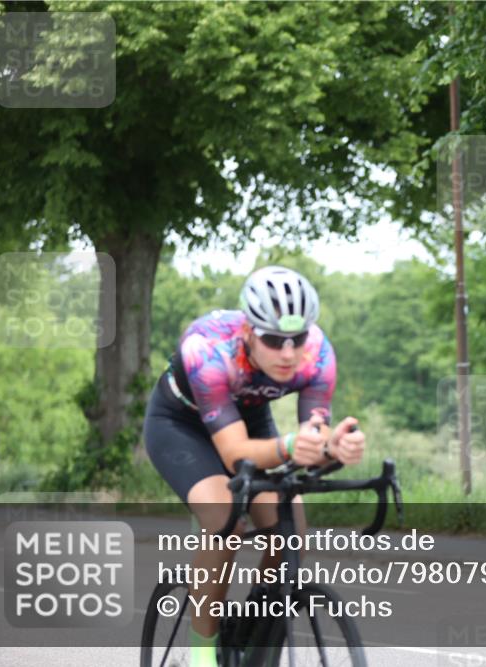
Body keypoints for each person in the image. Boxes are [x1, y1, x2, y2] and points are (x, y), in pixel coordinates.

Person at [144, 265, 366, 667]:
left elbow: (311, 437)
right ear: (248, 331)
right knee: (225, 519)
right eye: (273, 339)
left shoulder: (317, 354)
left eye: (296, 339)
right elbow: (235, 455)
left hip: (248, 418)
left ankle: (253, 631)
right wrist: (294, 445)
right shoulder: (207, 348)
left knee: (290, 526)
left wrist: (334, 447)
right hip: (181, 426)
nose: (288, 353)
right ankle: (201, 655)